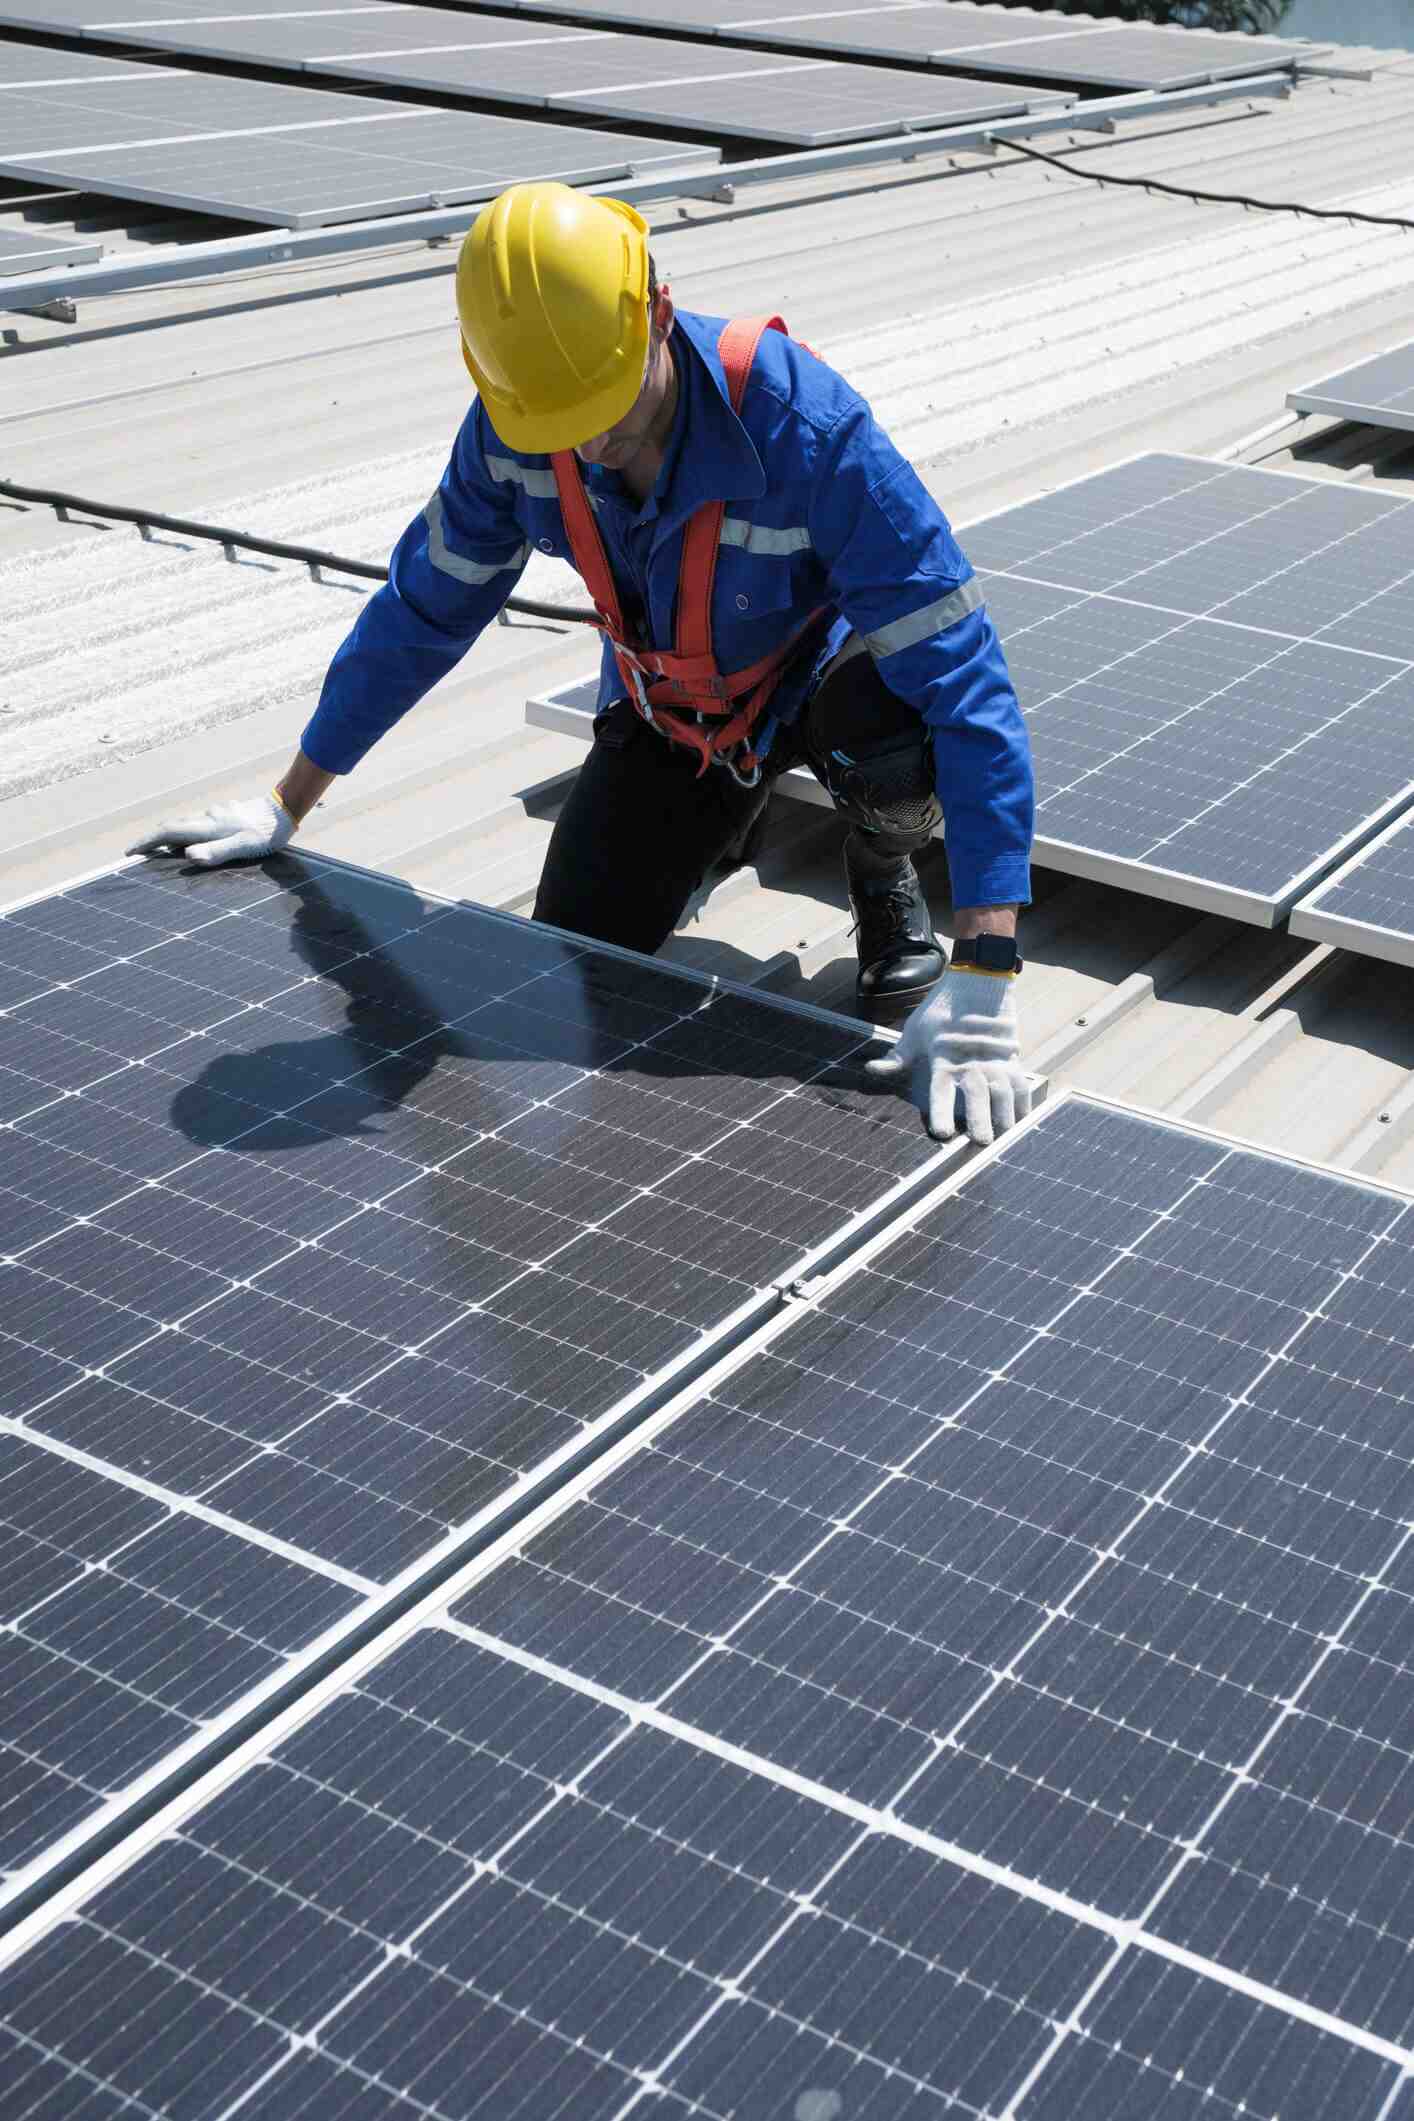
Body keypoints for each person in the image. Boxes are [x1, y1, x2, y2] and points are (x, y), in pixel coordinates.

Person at [130, 183, 1035, 1143]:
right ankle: (715, 824)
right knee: (577, 960)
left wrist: (987, 970)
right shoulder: (513, 431)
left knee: (897, 733)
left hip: (821, 686)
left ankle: (883, 859)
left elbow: (966, 682)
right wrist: (289, 799)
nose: (586, 441)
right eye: (554, 418)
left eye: (600, 405)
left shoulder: (805, 429)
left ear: (659, 311)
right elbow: (421, 611)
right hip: (679, 721)